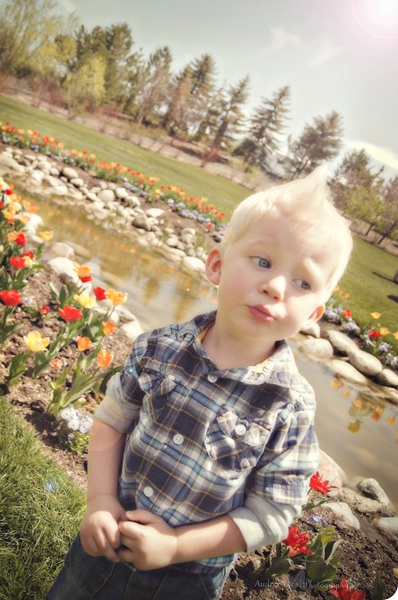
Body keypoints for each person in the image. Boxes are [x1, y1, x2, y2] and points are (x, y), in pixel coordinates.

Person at [47, 166, 353, 600]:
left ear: (313, 315)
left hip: (188, 579)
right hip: (107, 541)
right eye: (263, 261)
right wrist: (100, 500)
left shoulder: (288, 404)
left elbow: (273, 512)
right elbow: (111, 421)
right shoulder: (158, 348)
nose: (275, 286)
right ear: (217, 264)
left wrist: (176, 546)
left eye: (303, 282)